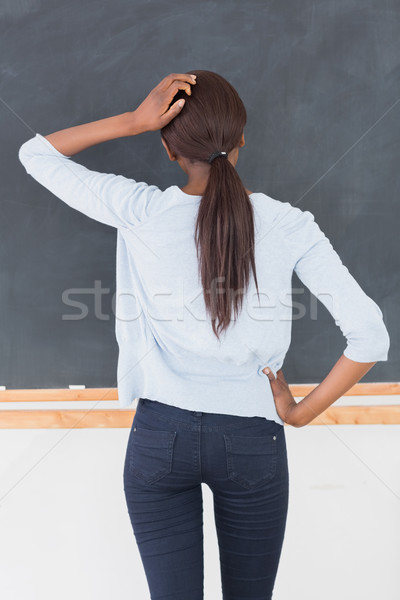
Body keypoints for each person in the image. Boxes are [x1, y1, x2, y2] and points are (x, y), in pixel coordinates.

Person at [18, 70, 390, 599]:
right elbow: (370, 336)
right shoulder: (289, 224)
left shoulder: (140, 210)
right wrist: (300, 411)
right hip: (252, 442)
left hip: (158, 440)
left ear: (169, 150)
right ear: (241, 141)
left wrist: (134, 121)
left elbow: (36, 155)